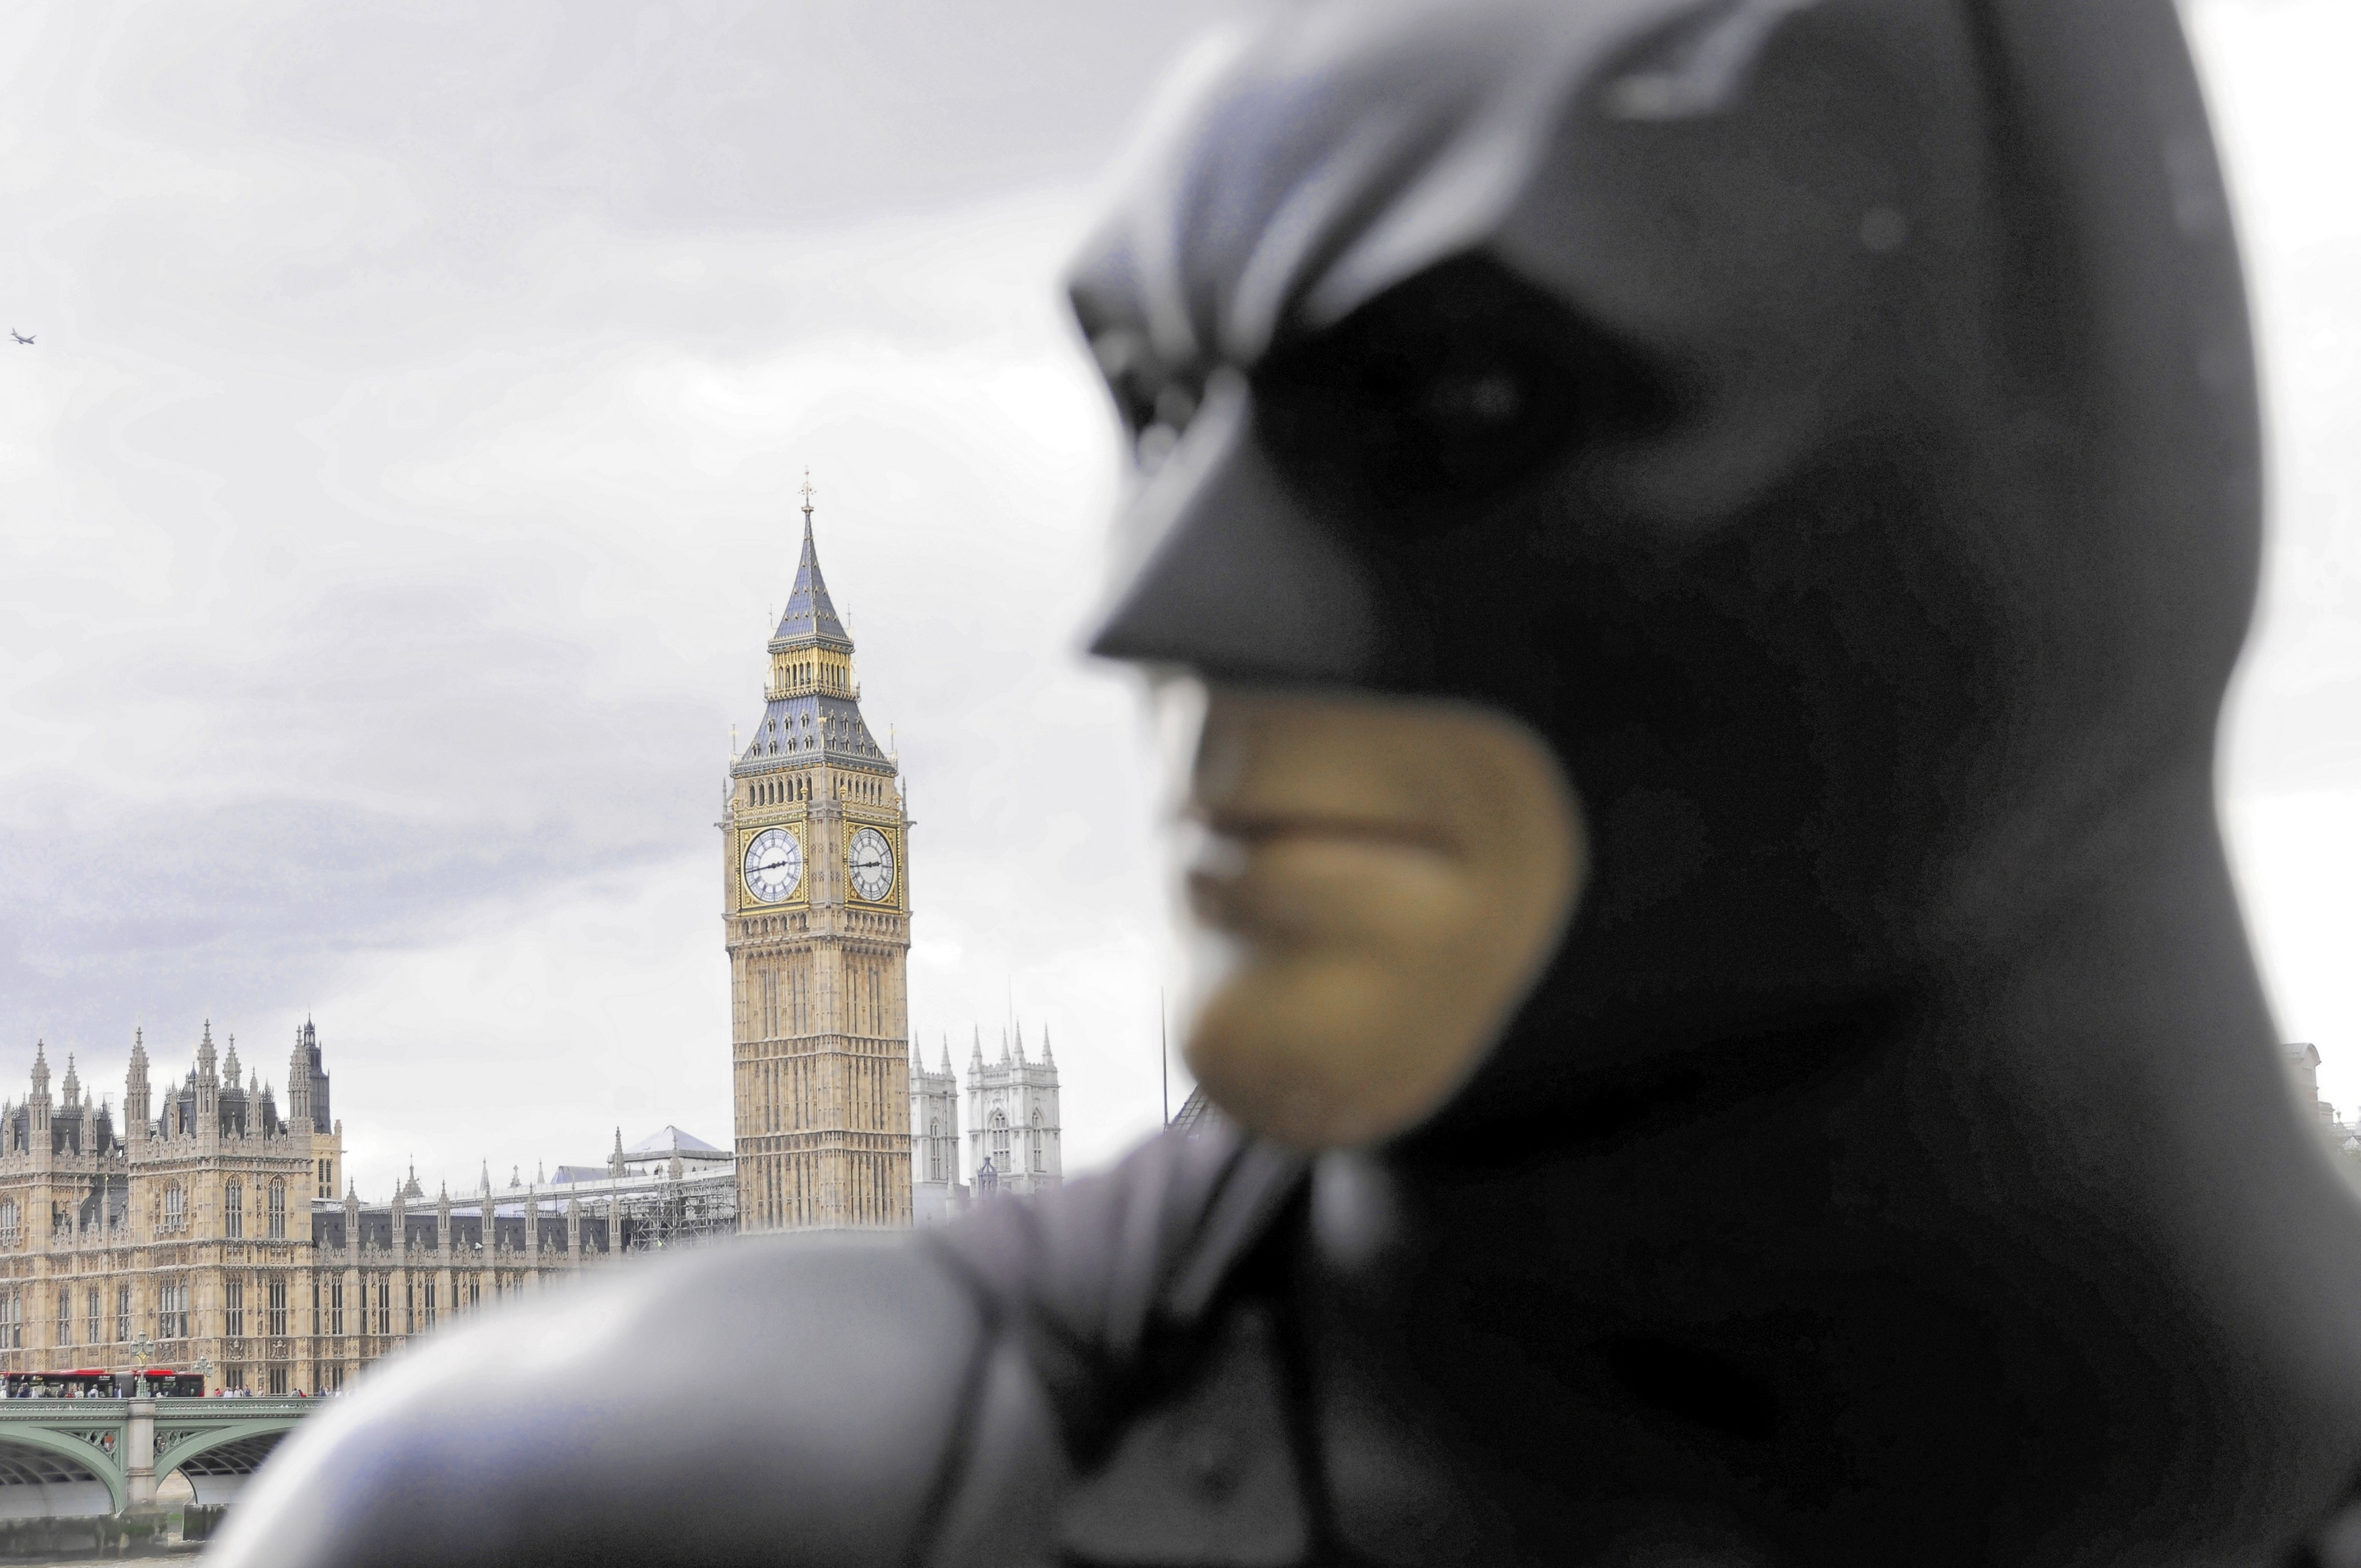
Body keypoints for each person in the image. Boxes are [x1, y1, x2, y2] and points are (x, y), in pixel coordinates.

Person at [209, 1, 2361, 1565]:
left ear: (2046, 482)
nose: (1147, 603)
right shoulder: (628, 1505)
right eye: (1159, 406)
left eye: (1450, 401)